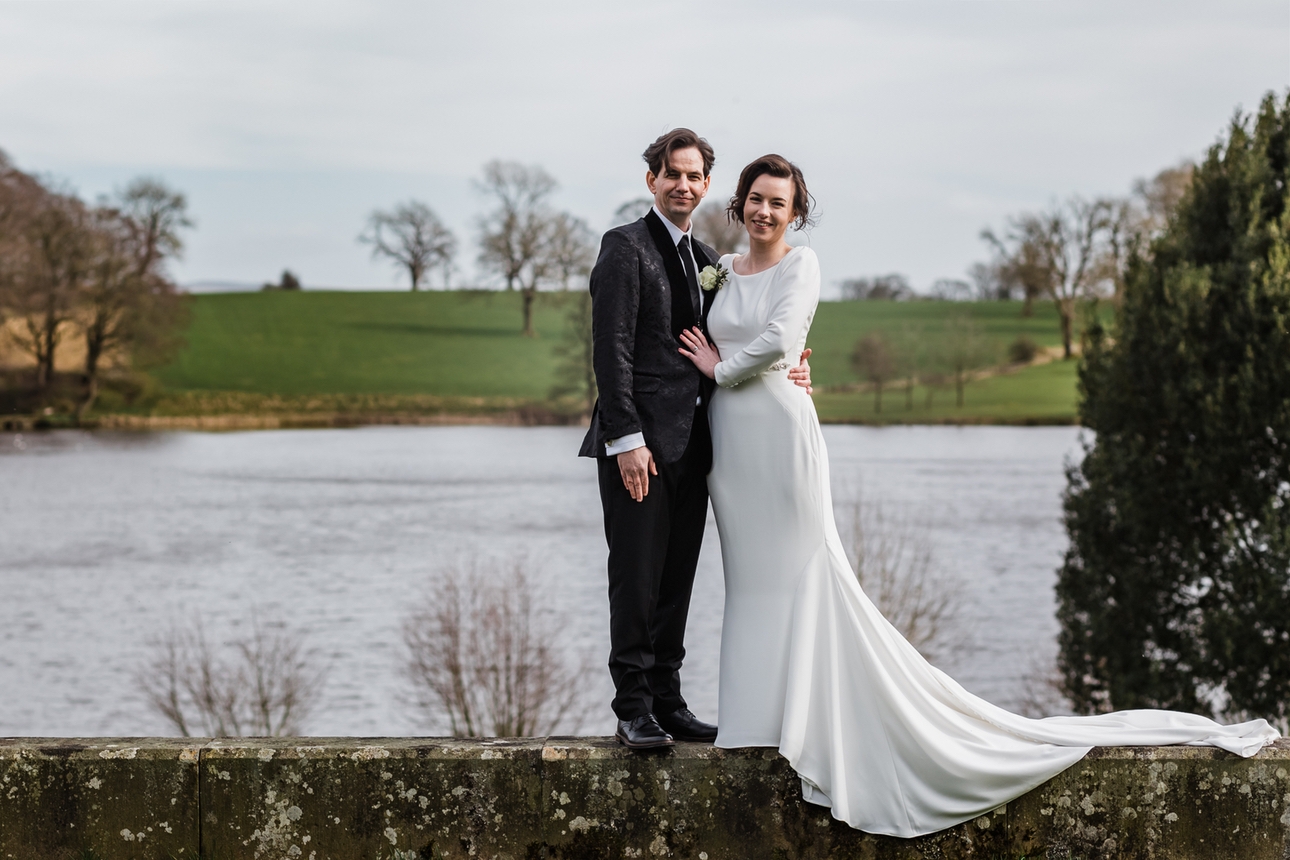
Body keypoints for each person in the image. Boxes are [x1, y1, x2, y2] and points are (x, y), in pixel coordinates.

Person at [677, 153, 1280, 836]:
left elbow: (782, 338)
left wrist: (719, 367)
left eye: (777, 204)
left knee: (802, 577)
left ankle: (816, 727)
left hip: (778, 438)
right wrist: (725, 369)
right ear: (740, 203)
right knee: (750, 583)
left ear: (795, 213)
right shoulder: (722, 264)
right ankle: (757, 723)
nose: (763, 211)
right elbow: (741, 337)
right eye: (755, 199)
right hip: (731, 450)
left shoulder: (801, 266)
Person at [579, 130, 814, 750]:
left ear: (707, 186)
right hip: (640, 450)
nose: (683, 185)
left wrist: (791, 366)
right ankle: (632, 706)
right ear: (652, 180)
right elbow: (612, 352)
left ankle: (667, 699)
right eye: (671, 174)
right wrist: (625, 438)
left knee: (678, 576)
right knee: (636, 575)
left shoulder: (707, 259)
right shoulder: (624, 248)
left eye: (694, 176)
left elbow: (738, 341)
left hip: (700, 447)